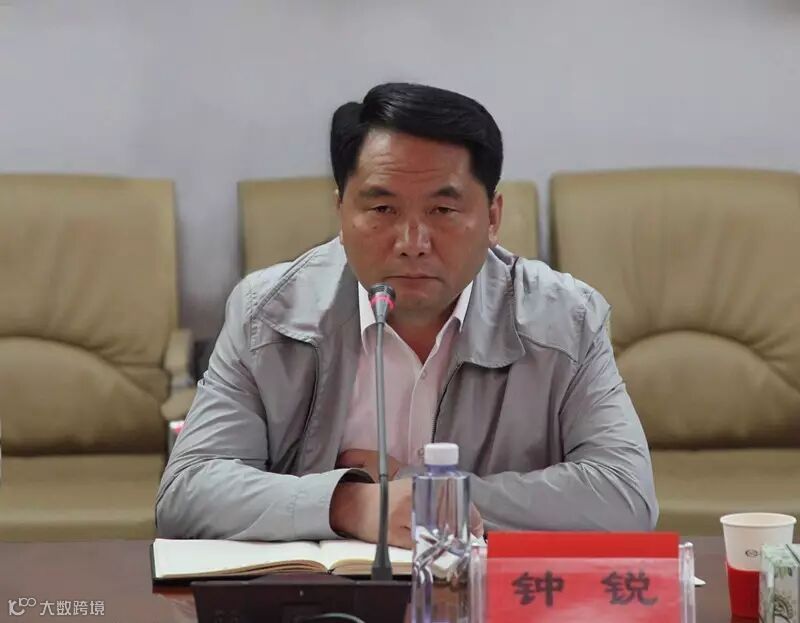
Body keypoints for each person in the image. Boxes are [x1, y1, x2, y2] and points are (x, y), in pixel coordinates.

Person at [156, 83, 658, 548]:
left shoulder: (566, 320)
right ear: (340, 214)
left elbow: (625, 497)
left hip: (485, 596)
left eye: (443, 211)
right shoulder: (266, 313)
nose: (412, 243)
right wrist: (353, 505)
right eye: (383, 210)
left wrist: (415, 491)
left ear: (492, 218)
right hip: (323, 597)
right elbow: (188, 491)